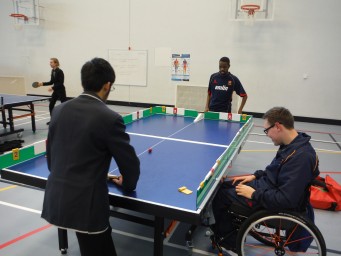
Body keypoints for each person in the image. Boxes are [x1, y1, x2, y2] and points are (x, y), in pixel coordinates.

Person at [41, 57, 140, 256]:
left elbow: (51, 157)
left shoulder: (59, 110)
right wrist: (128, 185)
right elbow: (129, 164)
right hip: (87, 207)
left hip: (56, 199)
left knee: (100, 243)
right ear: (107, 85)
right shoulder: (110, 118)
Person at [211, 107, 319, 253]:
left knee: (221, 196)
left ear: (278, 126)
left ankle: (230, 242)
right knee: (223, 185)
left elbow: (286, 200)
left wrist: (253, 194)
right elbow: (276, 169)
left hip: (272, 200)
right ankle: (226, 228)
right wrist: (256, 175)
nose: (267, 135)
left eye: (267, 130)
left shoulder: (302, 158)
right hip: (267, 187)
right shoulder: (292, 144)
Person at [38, 58, 67, 124]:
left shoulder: (60, 71)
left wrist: (52, 88)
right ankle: (53, 120)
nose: (50, 64)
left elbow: (61, 83)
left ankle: (66, 120)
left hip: (61, 91)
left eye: (51, 62)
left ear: (56, 63)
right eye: (50, 62)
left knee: (64, 106)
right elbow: (51, 82)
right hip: (56, 91)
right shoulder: (52, 71)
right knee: (51, 105)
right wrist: (42, 84)